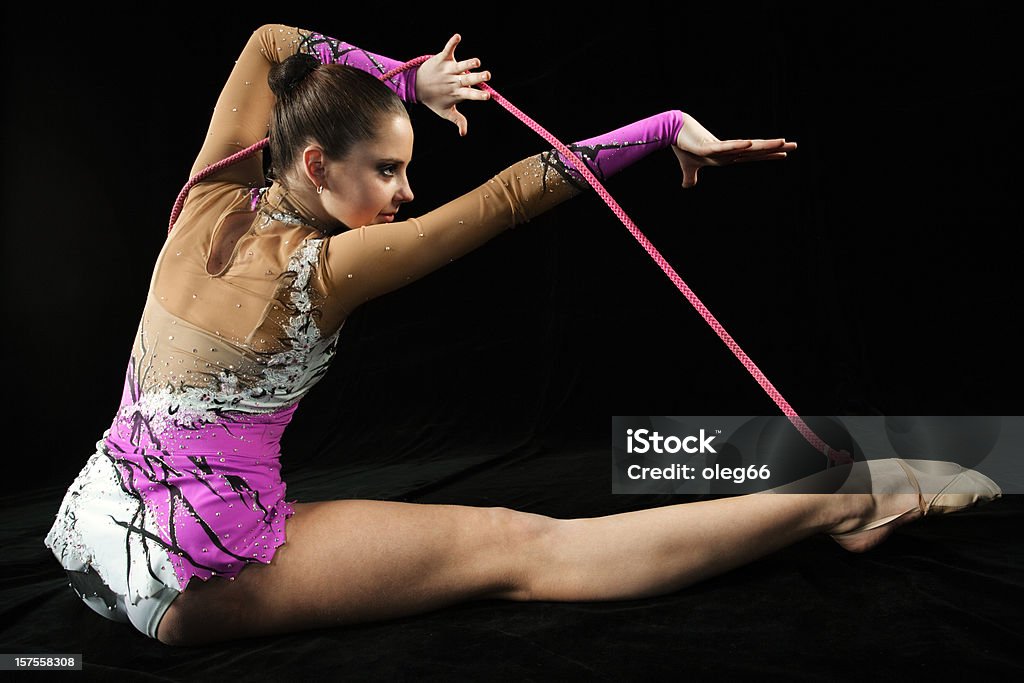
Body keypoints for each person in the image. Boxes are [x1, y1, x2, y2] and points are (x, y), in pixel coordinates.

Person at [43, 23, 1001, 647]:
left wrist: (407, 80)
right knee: (528, 549)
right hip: (194, 571)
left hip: (97, 533)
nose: (406, 194)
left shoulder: (204, 195)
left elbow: (265, 46)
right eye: (388, 171)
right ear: (313, 161)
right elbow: (507, 198)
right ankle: (844, 504)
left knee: (496, 541)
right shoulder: (325, 271)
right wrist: (665, 126)